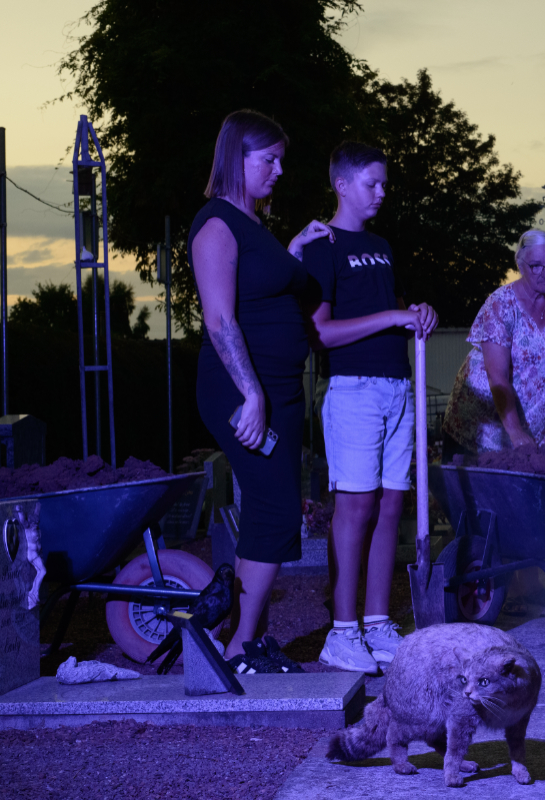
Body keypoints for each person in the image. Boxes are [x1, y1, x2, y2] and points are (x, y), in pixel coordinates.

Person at [189, 110, 334, 667]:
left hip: (275, 387)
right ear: (235, 159)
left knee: (269, 513)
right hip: (242, 389)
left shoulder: (253, 226)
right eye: (267, 159)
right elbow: (221, 320)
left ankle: (241, 641)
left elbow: (264, 288)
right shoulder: (217, 224)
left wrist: (292, 251)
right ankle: (239, 646)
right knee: (274, 510)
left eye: (281, 159)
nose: (278, 170)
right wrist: (252, 394)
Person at [303, 142, 438, 674]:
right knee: (354, 509)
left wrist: (417, 313)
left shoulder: (380, 245)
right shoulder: (323, 244)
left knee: (389, 507)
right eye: (372, 184)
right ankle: (342, 633)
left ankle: (378, 624)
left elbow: (395, 313)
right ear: (342, 184)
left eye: (385, 184)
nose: (382, 192)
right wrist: (391, 316)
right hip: (353, 391)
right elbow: (321, 332)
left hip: (398, 387)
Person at [441, 229, 545, 456]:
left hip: (536, 426)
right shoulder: (501, 305)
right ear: (521, 266)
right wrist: (515, 431)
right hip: (482, 423)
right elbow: (497, 375)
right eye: (536, 266)